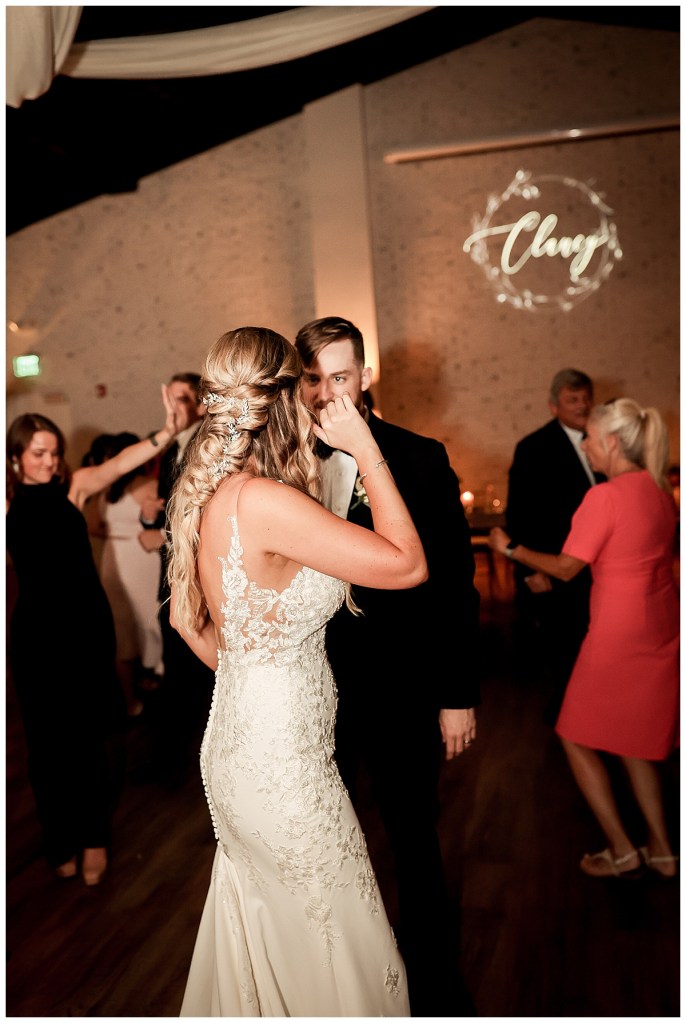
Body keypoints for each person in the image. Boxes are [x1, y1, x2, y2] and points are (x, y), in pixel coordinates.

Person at [167, 325, 425, 1016]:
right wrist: (365, 448)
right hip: (282, 765)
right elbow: (407, 564)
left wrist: (259, 675)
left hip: (242, 745)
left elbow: (187, 623)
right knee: (339, 943)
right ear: (284, 401)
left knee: (282, 935)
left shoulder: (213, 492)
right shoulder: (264, 501)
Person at [295, 316, 480, 1016]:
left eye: (339, 376)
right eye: (313, 379)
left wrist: (456, 693)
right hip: (315, 687)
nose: (326, 393)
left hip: (403, 685)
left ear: (366, 377)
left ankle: (433, 985)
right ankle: (337, 984)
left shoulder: (421, 457)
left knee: (413, 836)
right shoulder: (286, 461)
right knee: (320, 836)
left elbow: (455, 585)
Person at [490, 398, 679, 879]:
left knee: (573, 734)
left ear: (612, 443)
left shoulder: (605, 496)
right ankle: (662, 850)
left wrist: (510, 548)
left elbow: (566, 567)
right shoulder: (659, 491)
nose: (587, 448)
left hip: (616, 634)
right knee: (635, 743)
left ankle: (622, 849)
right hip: (659, 627)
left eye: (591, 440)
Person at [6, 391, 180, 886]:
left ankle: (94, 837)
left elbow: (122, 462)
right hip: (36, 635)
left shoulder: (74, 487)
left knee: (87, 740)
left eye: (54, 452)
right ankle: (58, 836)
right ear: (16, 457)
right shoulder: (8, 502)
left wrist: (166, 432)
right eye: (38, 453)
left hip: (83, 628)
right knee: (45, 746)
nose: (49, 461)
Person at [505, 368, 605, 723]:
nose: (582, 405)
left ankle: (595, 718)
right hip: (554, 567)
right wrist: (530, 571)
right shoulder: (533, 448)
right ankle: (571, 724)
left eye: (586, 398)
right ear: (553, 406)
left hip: (600, 568)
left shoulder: (604, 440)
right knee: (565, 652)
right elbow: (519, 516)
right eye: (572, 399)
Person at [137, 372, 214, 785]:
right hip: (171, 581)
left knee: (199, 676)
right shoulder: (172, 450)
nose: (173, 407)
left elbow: (211, 520)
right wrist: (149, 516)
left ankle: (197, 763)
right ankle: (172, 762)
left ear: (200, 405)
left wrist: (163, 535)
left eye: (181, 398)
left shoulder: (210, 447)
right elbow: (170, 511)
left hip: (204, 583)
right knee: (177, 672)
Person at [85, 432, 164, 716]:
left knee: (122, 628)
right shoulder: (147, 484)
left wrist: (115, 532)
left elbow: (93, 526)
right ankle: (156, 679)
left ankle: (131, 702)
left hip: (113, 555)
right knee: (151, 619)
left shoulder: (106, 490)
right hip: (141, 554)